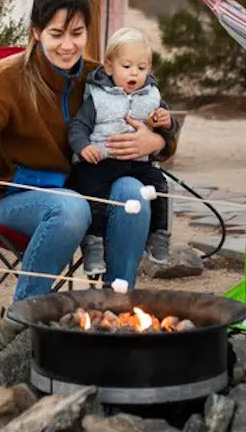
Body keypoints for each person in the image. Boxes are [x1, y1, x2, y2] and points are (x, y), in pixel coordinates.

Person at [0, 0, 178, 352]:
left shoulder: (102, 78)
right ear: (36, 32)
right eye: (56, 34)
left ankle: (115, 312)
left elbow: (157, 116)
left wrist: (158, 140)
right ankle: (21, 317)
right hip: (12, 195)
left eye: (77, 33)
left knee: (133, 192)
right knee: (71, 208)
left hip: (82, 189)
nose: (68, 45)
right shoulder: (8, 78)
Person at [67, 27, 175, 275]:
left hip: (137, 163)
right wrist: (84, 147)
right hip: (101, 160)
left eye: (141, 67)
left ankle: (158, 237)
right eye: (126, 66)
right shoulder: (98, 97)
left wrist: (166, 123)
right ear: (109, 67)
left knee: (159, 185)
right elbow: (78, 127)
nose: (134, 73)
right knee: (92, 191)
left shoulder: (151, 96)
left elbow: (169, 130)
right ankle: (93, 245)